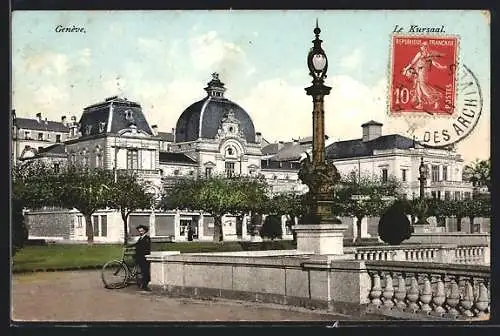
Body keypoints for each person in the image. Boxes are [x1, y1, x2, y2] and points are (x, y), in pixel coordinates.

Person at [402, 41, 448, 110]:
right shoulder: (419, 54)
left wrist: (442, 67)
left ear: (425, 47)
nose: (421, 47)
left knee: (423, 87)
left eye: (423, 46)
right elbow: (412, 63)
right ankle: (420, 104)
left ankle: (435, 100)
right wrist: (406, 69)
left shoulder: (428, 55)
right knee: (418, 88)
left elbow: (435, 63)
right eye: (421, 46)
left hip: (422, 72)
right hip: (417, 72)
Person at [129, 225, 152, 291]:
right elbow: (137, 244)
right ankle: (143, 283)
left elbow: (146, 248)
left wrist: (139, 252)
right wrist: (129, 246)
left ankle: (145, 285)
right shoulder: (140, 238)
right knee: (142, 270)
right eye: (139, 231)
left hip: (144, 257)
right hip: (139, 257)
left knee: (145, 271)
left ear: (145, 231)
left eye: (142, 230)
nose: (140, 232)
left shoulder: (147, 238)